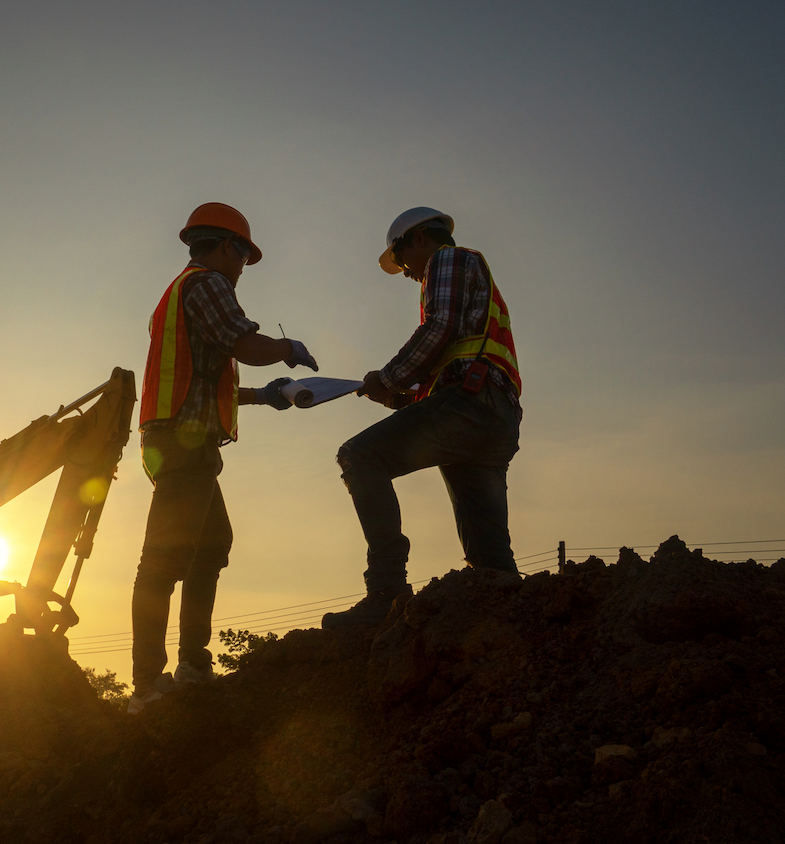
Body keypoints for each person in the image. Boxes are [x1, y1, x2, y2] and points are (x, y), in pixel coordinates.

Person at [130, 202, 319, 713]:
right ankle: (148, 686)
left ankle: (192, 667)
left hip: (177, 441)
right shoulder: (208, 283)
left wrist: (267, 395)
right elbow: (244, 343)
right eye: (242, 256)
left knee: (210, 545)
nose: (242, 269)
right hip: (183, 444)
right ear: (225, 246)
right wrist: (284, 347)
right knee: (166, 556)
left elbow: (202, 381)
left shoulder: (178, 295)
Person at [323, 207, 523, 628]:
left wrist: (389, 378)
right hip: (491, 414)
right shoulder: (476, 275)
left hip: (471, 404)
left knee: (361, 457)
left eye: (400, 261)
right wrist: (398, 398)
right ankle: (510, 620)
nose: (408, 273)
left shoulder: (447, 259)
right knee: (489, 553)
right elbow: (454, 357)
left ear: (416, 240)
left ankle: (386, 590)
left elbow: (441, 326)